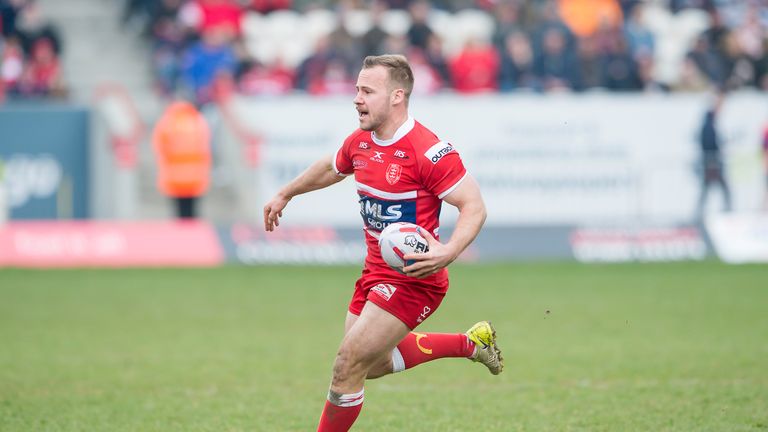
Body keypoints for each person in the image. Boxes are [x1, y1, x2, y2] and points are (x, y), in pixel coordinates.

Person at [263, 54, 503, 431]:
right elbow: (331, 167)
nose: (357, 98)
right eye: (357, 89)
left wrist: (448, 252)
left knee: (346, 365)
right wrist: (287, 193)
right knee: (373, 364)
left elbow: (474, 206)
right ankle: (469, 344)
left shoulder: (428, 150)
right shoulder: (361, 141)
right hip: (374, 273)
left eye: (367, 91)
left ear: (397, 96)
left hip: (414, 280)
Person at [152, 100, 212, 219]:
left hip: (174, 174)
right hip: (195, 174)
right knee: (192, 209)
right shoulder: (198, 120)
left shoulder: (167, 121)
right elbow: (206, 145)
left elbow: (159, 145)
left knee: (179, 211)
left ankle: (181, 233)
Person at [696, 91, 732, 217]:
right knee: (713, 187)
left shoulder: (713, 121)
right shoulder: (709, 122)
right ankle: (727, 212)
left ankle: (726, 211)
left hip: (713, 158)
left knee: (711, 187)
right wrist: (713, 155)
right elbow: (708, 141)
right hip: (712, 159)